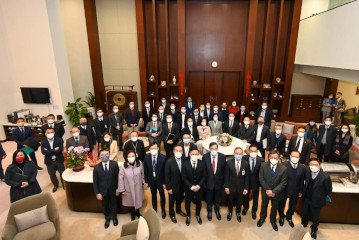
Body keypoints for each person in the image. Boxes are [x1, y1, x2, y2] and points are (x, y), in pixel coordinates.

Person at [301, 158, 332, 239]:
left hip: (317, 200)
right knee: (304, 212)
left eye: (315, 165)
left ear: (320, 166)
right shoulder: (307, 171)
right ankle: (304, 223)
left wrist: (320, 195)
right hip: (306, 197)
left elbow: (329, 190)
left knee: (315, 216)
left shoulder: (325, 177)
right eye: (311, 164)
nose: (313, 166)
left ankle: (314, 229)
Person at [257, 150, 287, 231]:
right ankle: (262, 218)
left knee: (274, 207)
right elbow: (261, 178)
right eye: (271, 157)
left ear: (279, 158)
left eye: (275, 158)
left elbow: (283, 183)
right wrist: (267, 190)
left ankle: (273, 220)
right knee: (264, 205)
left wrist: (273, 192)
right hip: (265, 191)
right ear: (269, 157)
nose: (273, 159)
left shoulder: (283, 169)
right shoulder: (263, 165)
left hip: (276, 193)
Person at [277, 150, 306, 228]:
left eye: (296, 157)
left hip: (296, 190)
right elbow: (279, 179)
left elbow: (302, 180)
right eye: (293, 156)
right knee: (281, 205)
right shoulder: (283, 165)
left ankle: (289, 217)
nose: (294, 158)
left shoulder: (302, 167)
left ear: (299, 158)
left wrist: (300, 191)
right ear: (290, 156)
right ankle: (281, 217)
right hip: (284, 189)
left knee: (293, 206)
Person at [93, 149, 120, 228]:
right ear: (100, 156)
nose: (104, 156)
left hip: (113, 189)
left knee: (114, 204)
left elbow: (118, 177)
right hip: (102, 191)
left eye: (106, 154)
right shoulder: (96, 168)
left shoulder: (114, 164)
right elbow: (95, 182)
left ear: (109, 155)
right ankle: (107, 218)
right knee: (105, 206)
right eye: (102, 155)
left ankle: (114, 217)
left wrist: (118, 188)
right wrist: (97, 193)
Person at [182, 148, 207, 226]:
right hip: (188, 188)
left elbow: (204, 176)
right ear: (190, 154)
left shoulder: (202, 163)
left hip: (199, 188)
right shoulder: (185, 164)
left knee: (198, 202)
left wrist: (199, 186)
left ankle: (197, 215)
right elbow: (184, 177)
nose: (194, 156)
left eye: (196, 154)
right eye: (193, 154)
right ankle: (188, 215)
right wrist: (191, 187)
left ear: (198, 155)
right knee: (187, 202)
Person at [225, 147, 250, 222]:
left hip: (241, 187)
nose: (238, 155)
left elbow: (247, 177)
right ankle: (230, 212)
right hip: (231, 186)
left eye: (240, 154)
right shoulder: (229, 163)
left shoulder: (246, 164)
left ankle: (238, 213)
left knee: (239, 201)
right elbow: (226, 176)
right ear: (234, 153)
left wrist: (246, 188)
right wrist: (226, 186)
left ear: (242, 154)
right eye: (237, 153)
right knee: (230, 201)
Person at [118, 150, 145, 221]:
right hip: (128, 188)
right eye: (129, 156)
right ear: (126, 157)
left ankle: (138, 212)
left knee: (138, 200)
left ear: (135, 156)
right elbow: (120, 179)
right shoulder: (123, 167)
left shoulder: (140, 164)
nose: (131, 158)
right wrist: (122, 189)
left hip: (138, 187)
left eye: (133, 156)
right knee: (131, 201)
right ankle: (132, 214)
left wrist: (142, 182)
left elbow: (142, 174)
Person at [203, 142, 226, 221]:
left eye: (215, 149)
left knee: (218, 197)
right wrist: (204, 182)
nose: (214, 150)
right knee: (209, 197)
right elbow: (204, 171)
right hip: (209, 181)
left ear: (217, 149)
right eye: (212, 149)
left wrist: (223, 182)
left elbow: (224, 170)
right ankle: (209, 210)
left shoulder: (222, 157)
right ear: (209, 149)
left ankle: (217, 210)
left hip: (219, 181)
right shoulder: (205, 157)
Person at [144, 143, 166, 218]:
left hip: (161, 181)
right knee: (153, 196)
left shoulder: (163, 157)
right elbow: (145, 171)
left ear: (158, 149)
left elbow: (165, 171)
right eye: (152, 148)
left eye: (155, 148)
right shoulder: (146, 158)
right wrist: (146, 181)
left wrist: (165, 182)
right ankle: (154, 210)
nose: (153, 150)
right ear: (149, 149)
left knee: (162, 196)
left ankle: (163, 210)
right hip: (151, 181)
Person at [242, 145, 264, 219]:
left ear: (257, 152)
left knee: (255, 197)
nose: (253, 152)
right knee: (245, 196)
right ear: (248, 151)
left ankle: (254, 210)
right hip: (246, 182)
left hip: (256, 182)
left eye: (255, 151)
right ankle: (245, 208)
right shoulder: (244, 158)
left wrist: (261, 185)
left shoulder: (261, 160)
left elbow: (262, 174)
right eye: (251, 151)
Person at [165, 145, 186, 224]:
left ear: (182, 152)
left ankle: (178, 210)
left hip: (182, 186)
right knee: (171, 201)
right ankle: (171, 214)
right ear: (173, 151)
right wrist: (168, 188)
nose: (178, 152)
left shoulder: (184, 159)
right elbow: (167, 176)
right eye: (176, 150)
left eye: (180, 151)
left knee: (179, 199)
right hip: (172, 186)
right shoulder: (169, 161)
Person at [41, 128, 65, 192]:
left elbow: (60, 150)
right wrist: (54, 150)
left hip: (59, 160)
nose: (50, 134)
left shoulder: (59, 140)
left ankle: (64, 184)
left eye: (51, 132)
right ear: (45, 134)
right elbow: (43, 152)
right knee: (52, 174)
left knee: (62, 173)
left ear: (54, 133)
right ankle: (55, 185)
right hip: (49, 161)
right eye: (48, 133)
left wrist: (48, 151)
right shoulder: (43, 142)